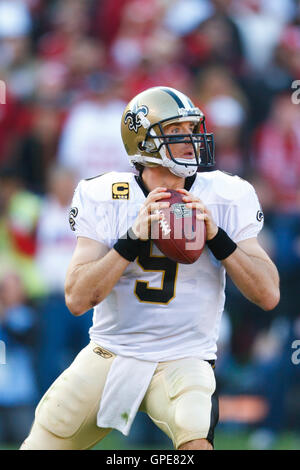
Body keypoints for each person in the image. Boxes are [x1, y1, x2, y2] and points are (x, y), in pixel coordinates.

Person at [20, 86, 280, 451]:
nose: (190, 140)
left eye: (191, 129)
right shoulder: (106, 195)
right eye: (175, 133)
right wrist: (130, 242)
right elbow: (77, 299)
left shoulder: (225, 194)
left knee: (195, 433)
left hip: (185, 356)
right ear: (143, 141)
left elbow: (268, 294)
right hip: (110, 352)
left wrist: (218, 238)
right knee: (43, 441)